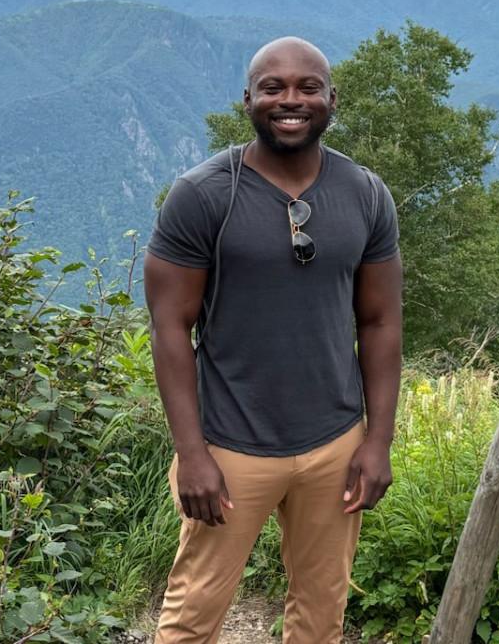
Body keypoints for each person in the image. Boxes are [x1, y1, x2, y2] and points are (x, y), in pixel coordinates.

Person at [145, 36, 404, 644]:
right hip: (230, 447)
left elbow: (381, 322)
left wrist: (378, 441)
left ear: (332, 99)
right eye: (274, 88)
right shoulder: (204, 195)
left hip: (335, 445)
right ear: (248, 101)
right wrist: (192, 453)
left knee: (321, 616)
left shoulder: (365, 194)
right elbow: (168, 327)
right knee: (191, 618)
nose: (291, 100)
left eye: (307, 87)